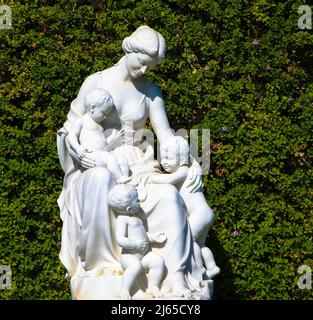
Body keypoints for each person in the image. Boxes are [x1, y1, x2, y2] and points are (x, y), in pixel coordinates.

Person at [57, 25, 208, 299]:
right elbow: (69, 130)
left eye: (151, 66)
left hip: (137, 167)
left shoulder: (151, 92)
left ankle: (175, 276)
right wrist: (75, 150)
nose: (144, 71)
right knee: (102, 180)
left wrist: (193, 163)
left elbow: (167, 138)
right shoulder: (97, 82)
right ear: (130, 49)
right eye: (142, 63)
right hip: (95, 165)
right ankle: (103, 268)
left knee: (168, 197)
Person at [147, 136, 220, 279]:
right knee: (199, 244)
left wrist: (151, 178)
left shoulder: (184, 170)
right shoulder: (185, 169)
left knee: (188, 241)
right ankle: (211, 267)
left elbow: (168, 180)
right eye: (163, 158)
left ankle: (199, 270)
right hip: (204, 213)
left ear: (181, 159)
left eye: (169, 158)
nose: (164, 162)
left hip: (200, 213)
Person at [109, 184, 166, 299]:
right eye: (137, 200)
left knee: (157, 261)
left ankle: (153, 285)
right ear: (129, 208)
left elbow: (142, 236)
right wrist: (135, 244)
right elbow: (120, 239)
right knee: (135, 266)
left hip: (143, 256)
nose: (139, 200)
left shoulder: (137, 218)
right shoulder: (122, 220)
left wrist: (154, 238)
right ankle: (125, 289)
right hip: (129, 257)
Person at [67, 88, 129, 183]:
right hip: (91, 155)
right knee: (109, 159)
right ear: (92, 108)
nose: (105, 117)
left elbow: (103, 146)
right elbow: (71, 135)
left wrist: (112, 140)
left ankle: (125, 179)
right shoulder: (82, 121)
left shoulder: (100, 125)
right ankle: (119, 179)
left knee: (122, 159)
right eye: (104, 113)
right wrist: (77, 148)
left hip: (101, 154)